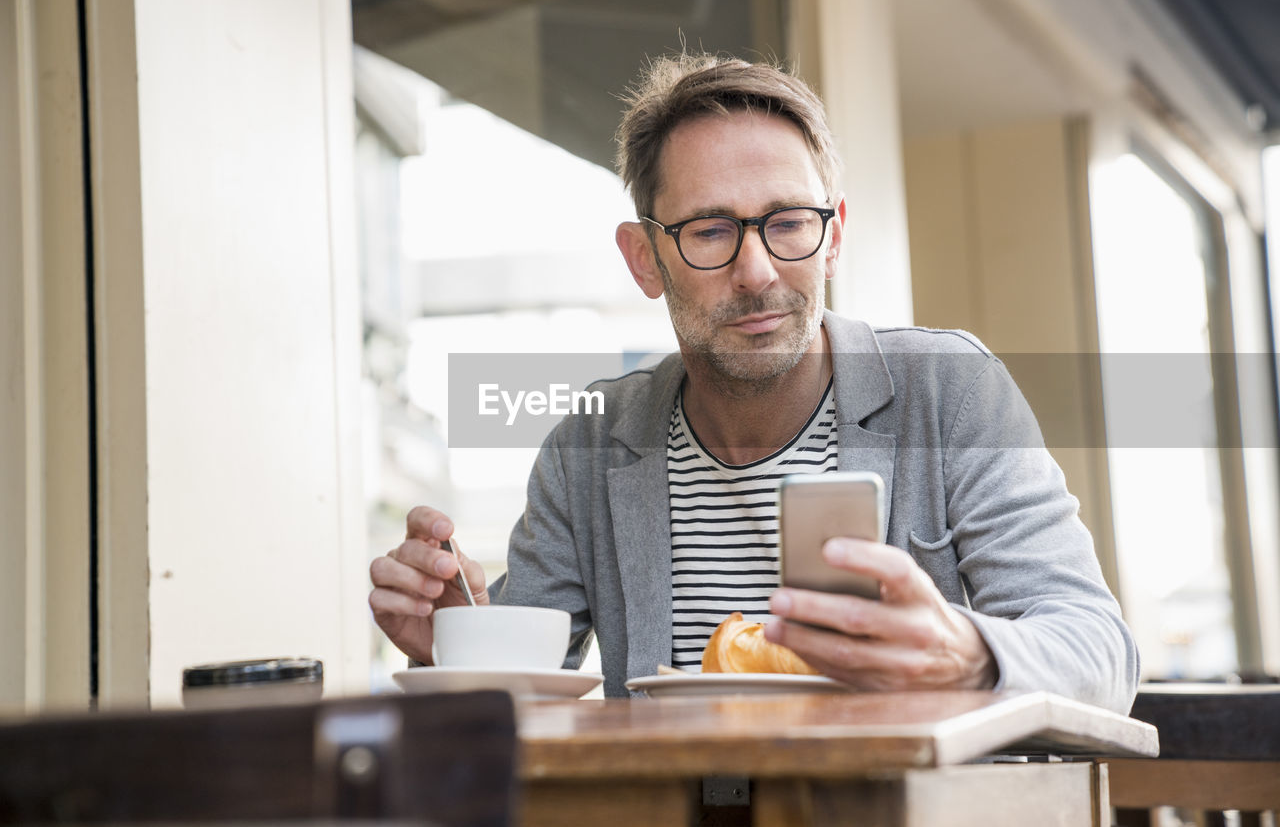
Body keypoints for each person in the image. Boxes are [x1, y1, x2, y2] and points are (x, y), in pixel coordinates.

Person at [369, 52, 1139, 713]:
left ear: (833, 235)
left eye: (788, 222)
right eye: (710, 230)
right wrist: (453, 640)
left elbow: (1101, 652)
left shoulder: (949, 391)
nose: (758, 271)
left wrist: (965, 653)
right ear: (645, 259)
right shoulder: (591, 445)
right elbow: (518, 696)